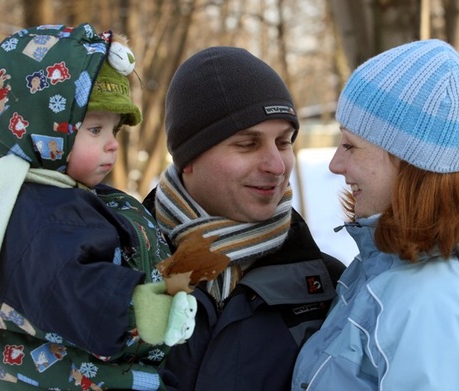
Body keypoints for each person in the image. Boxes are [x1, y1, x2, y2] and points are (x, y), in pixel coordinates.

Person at [0, 23, 199, 390]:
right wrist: (140, 309)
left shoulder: (54, 196)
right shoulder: (37, 210)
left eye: (114, 130)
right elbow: (66, 286)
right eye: (95, 130)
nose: (113, 144)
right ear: (43, 131)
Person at [292, 39, 459, 390]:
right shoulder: (394, 270)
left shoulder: (430, 304)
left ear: (410, 164)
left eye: (350, 145)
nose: (336, 164)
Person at [141, 46, 346, 390]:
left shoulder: (327, 287)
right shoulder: (115, 270)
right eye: (248, 144)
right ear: (188, 157)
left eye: (283, 142)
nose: (277, 166)